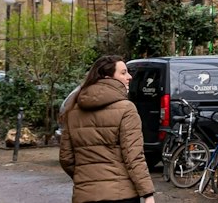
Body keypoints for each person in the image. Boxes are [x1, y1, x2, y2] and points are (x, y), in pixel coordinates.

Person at [58, 56, 155, 203]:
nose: (129, 77)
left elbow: (66, 158)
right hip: (121, 194)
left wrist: (86, 179)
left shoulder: (72, 109)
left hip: (85, 195)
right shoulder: (126, 109)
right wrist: (147, 193)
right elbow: (133, 156)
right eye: (123, 73)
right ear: (108, 77)